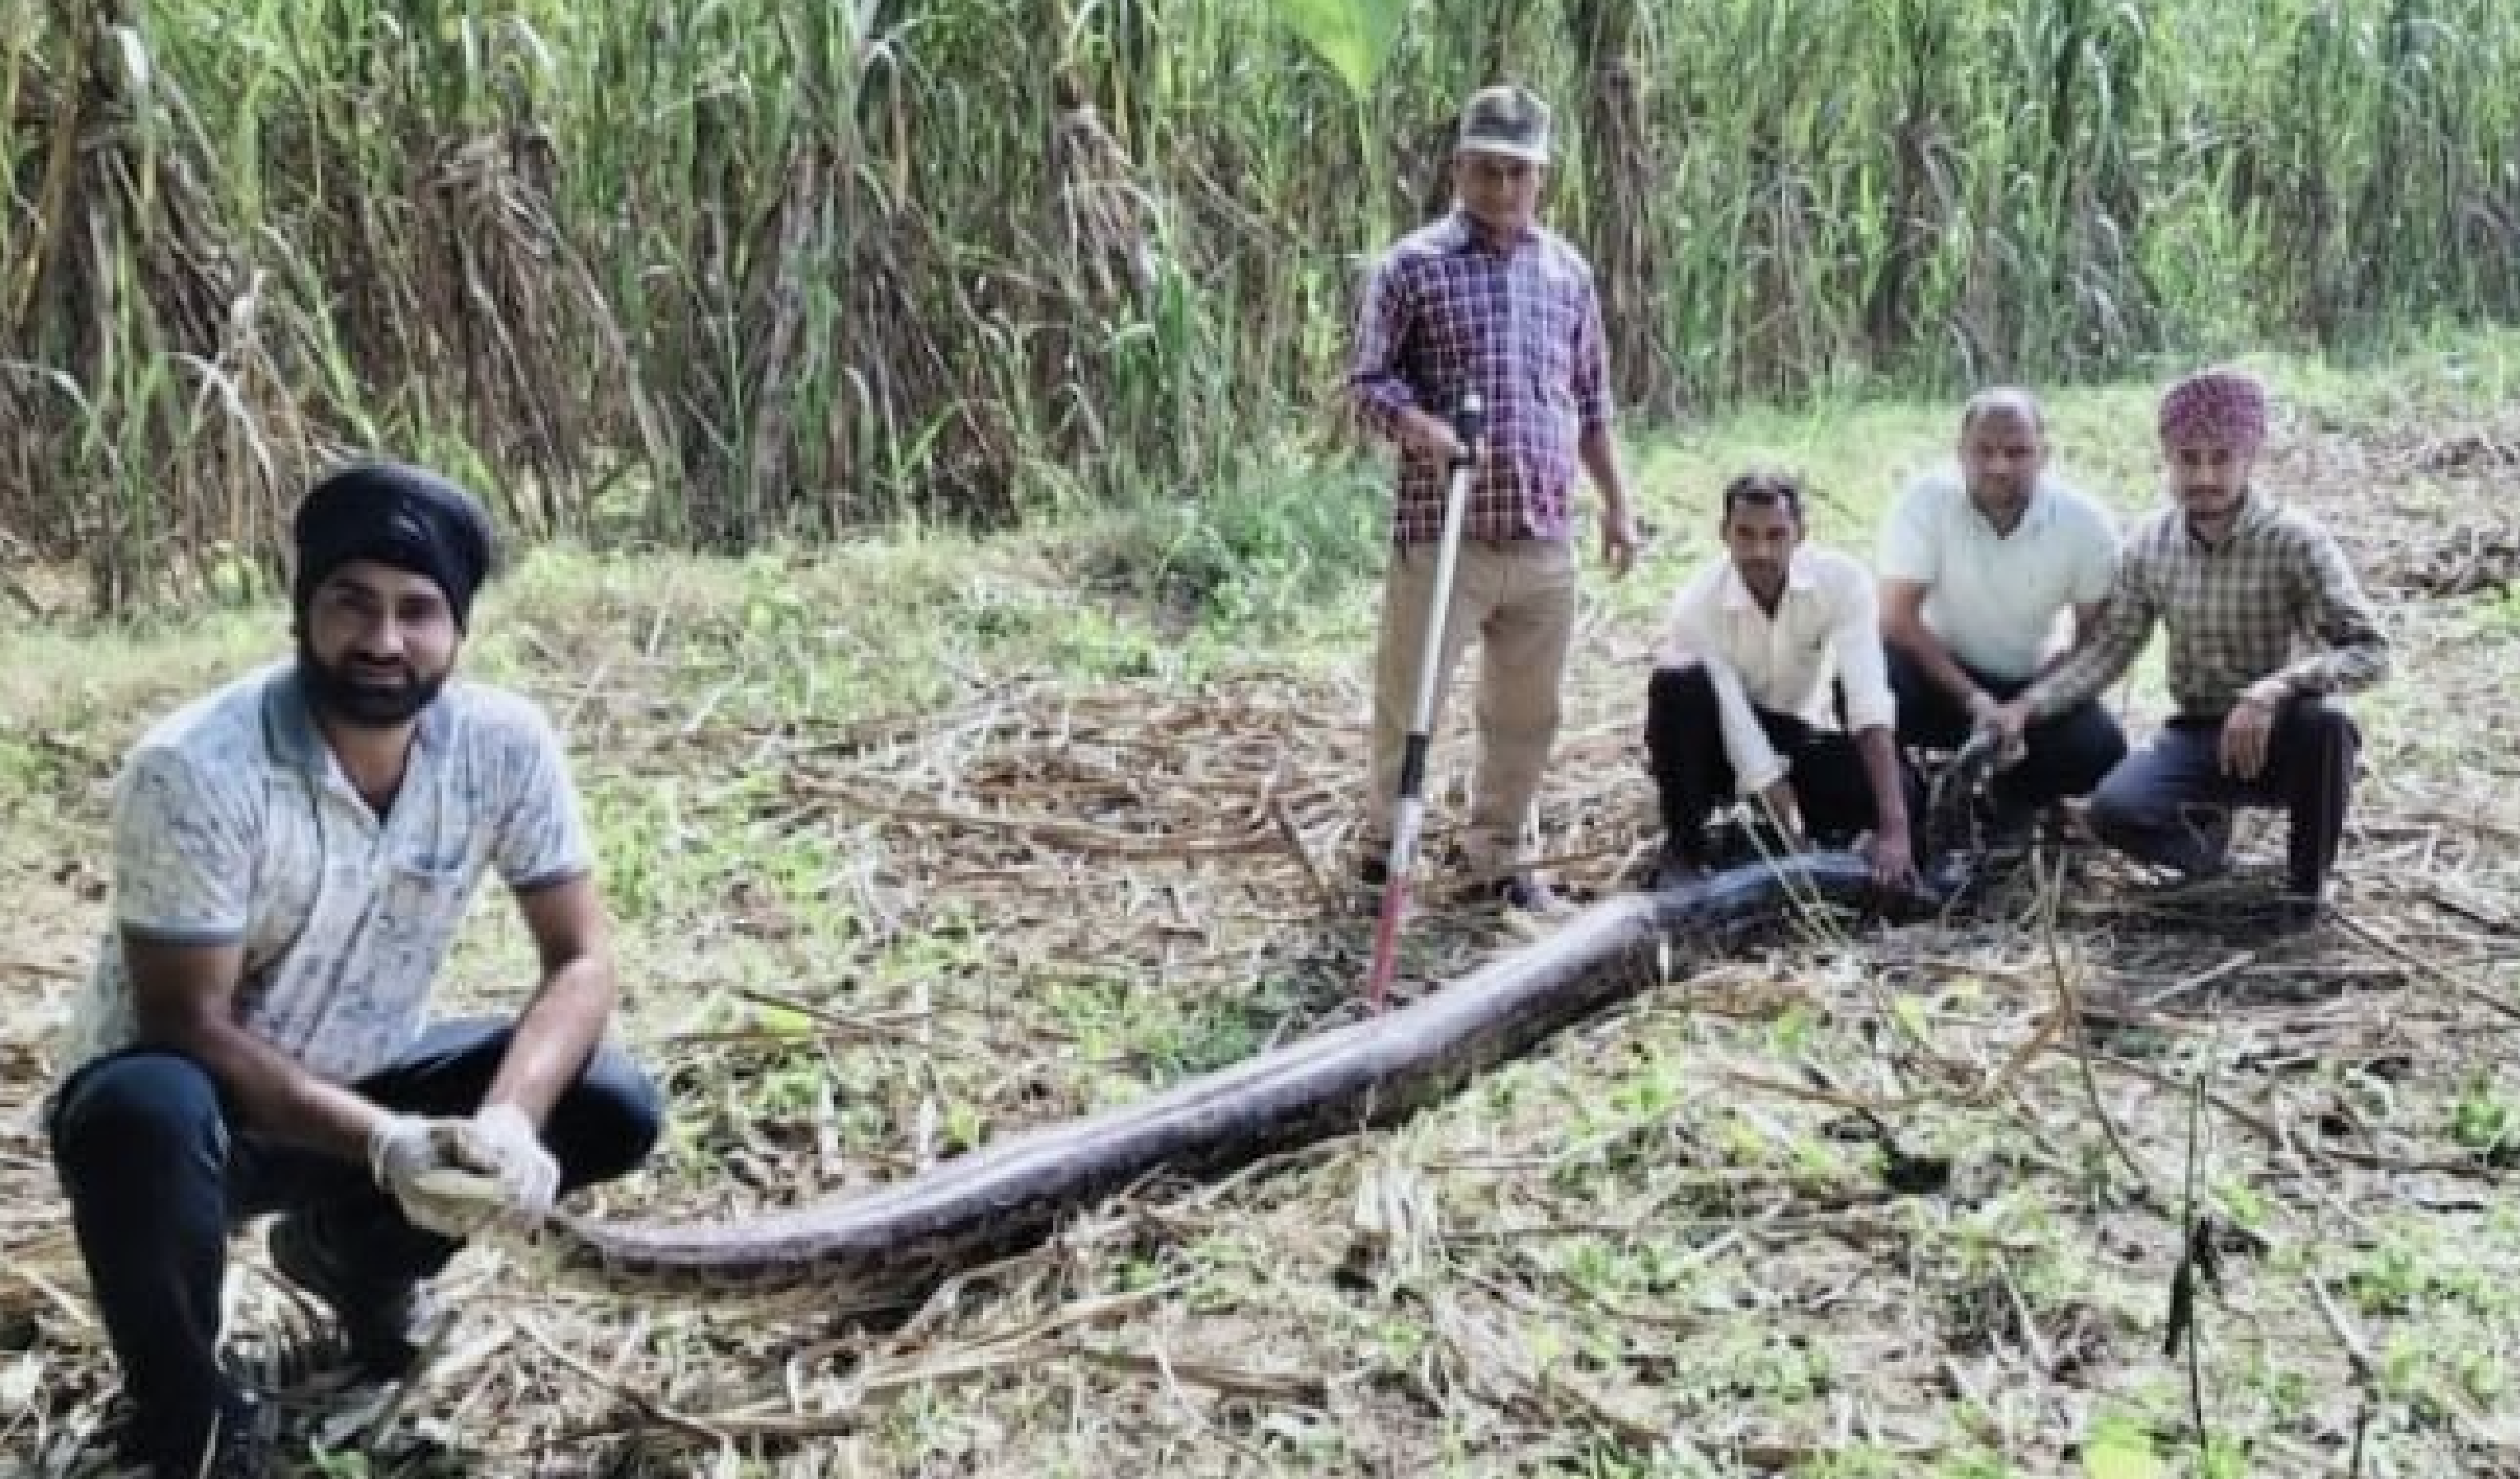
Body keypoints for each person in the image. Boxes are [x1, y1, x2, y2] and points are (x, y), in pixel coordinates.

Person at [45, 462, 664, 1478]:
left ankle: (352, 1262)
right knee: (141, 1114)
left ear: (458, 629)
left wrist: (504, 1124)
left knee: (606, 1099)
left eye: (418, 611)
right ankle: (184, 1406)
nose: (383, 640)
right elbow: (186, 1024)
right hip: (203, 1115)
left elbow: (582, 958)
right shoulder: (195, 767)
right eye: (351, 603)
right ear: (301, 610)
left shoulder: (503, 744)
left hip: (367, 1080)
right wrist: (385, 1145)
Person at [1348, 82, 1642, 914]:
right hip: (1446, 532)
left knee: (1526, 711)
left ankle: (1497, 858)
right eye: (1485, 171)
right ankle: (1385, 851)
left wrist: (1616, 506)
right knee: (1410, 702)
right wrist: (1424, 430)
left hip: (1541, 530)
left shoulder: (1565, 272)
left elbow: (1590, 402)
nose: (1501, 189)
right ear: (1457, 169)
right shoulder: (1412, 267)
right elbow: (1366, 384)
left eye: (1517, 173)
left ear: (1539, 177)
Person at [1994, 368, 2389, 918]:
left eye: (2221, 458)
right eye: (2188, 458)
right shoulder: (2151, 544)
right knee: (2113, 810)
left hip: (2284, 728)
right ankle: (2211, 863)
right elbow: (2110, 650)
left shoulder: (2296, 540)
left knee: (2330, 727)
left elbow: (2371, 652)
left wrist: (2273, 691)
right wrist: (2028, 707)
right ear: (2168, 459)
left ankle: (2306, 889)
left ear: (2251, 458)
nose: (2204, 475)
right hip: (2200, 732)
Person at [1643, 471, 1920, 891]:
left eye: (1776, 535)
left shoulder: (1842, 582)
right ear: (1724, 534)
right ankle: (1685, 845)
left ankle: (1830, 837)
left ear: (1801, 534)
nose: (1761, 551)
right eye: (1745, 535)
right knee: (1675, 680)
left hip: (1792, 734)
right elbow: (1735, 722)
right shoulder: (1697, 604)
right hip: (1716, 741)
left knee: (1903, 790)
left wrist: (1895, 827)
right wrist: (1788, 823)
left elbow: (1868, 701)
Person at [1878, 387, 2127, 833]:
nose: (1999, 466)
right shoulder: (1923, 501)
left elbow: (2094, 643)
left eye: (2017, 452)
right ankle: (1908, 803)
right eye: (1984, 451)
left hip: (2027, 685)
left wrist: (2024, 707)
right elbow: (1898, 620)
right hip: (1936, 674)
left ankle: (2010, 797)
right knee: (1866, 683)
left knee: (2099, 747)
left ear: (2044, 455)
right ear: (1960, 452)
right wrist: (1975, 700)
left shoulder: (2087, 524)